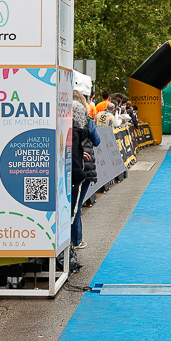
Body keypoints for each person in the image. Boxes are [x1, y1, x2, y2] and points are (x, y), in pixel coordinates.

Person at [71, 92, 101, 250]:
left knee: (71, 203)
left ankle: (71, 239)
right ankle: (76, 240)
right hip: (84, 167)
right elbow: (97, 141)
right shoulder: (87, 121)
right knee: (77, 204)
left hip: (71, 165)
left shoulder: (62, 120)